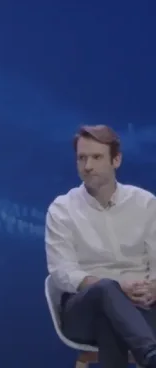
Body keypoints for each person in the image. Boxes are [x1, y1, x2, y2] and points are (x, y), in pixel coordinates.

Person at [46, 125, 156, 368]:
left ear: (116, 160)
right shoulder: (62, 209)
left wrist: (153, 288)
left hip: (141, 305)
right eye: (82, 158)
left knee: (112, 319)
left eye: (96, 157)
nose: (87, 166)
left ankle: (149, 355)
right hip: (83, 308)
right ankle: (149, 352)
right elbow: (61, 272)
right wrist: (118, 287)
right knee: (108, 291)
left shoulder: (146, 204)